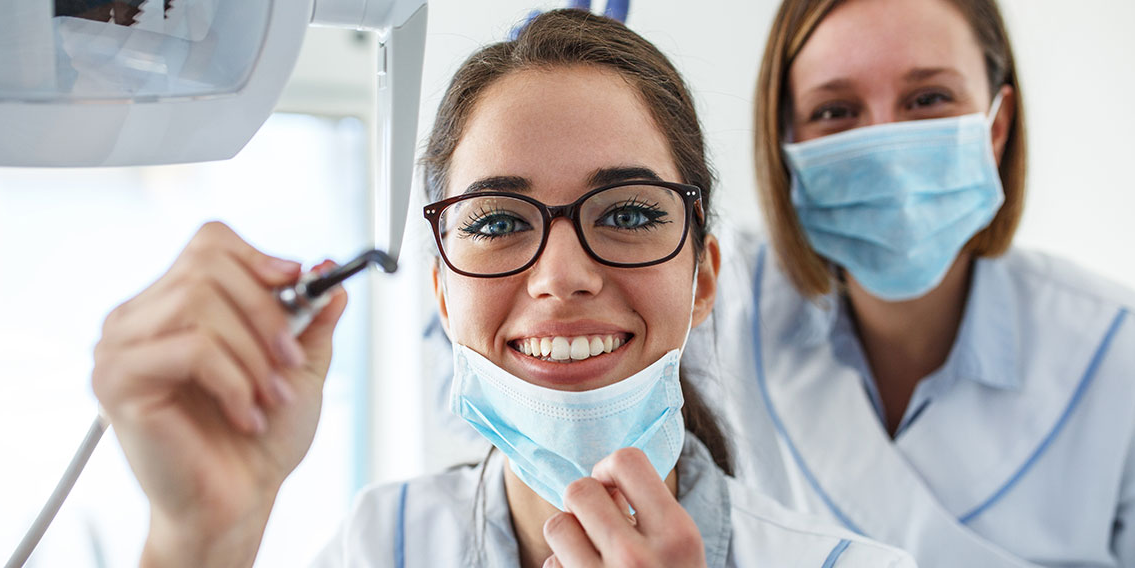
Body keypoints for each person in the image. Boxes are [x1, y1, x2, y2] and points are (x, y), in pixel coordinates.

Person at [92, 9, 915, 568]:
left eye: (628, 212)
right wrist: (197, 539)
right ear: (443, 292)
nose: (562, 276)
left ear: (702, 277)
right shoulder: (381, 546)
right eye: (495, 224)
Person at [683, 0, 1135, 566]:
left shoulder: (1117, 351)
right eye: (836, 110)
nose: (888, 155)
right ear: (786, 146)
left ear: (995, 127)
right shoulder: (714, 309)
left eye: (928, 100)